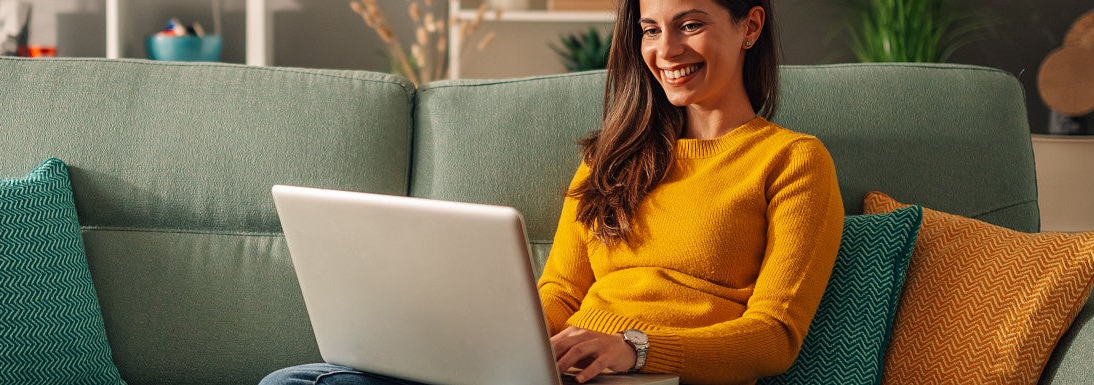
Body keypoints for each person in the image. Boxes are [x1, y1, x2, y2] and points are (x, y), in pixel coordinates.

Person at [260, 0, 843, 383]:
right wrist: (485, 340)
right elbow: (561, 290)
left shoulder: (792, 161)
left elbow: (774, 338)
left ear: (751, 26)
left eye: (690, 24)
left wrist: (635, 347)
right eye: (649, 29)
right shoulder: (612, 159)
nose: (665, 52)